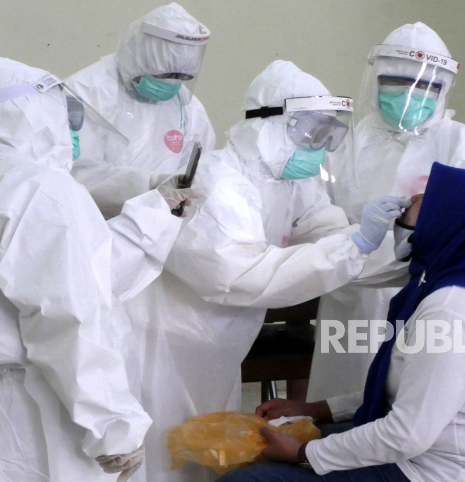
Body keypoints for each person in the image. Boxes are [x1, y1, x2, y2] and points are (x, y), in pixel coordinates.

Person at [0, 56, 193, 482]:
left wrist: (157, 213)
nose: (72, 124)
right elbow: (69, 319)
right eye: (64, 108)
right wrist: (114, 427)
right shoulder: (42, 187)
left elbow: (82, 272)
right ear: (30, 111)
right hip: (31, 418)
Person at [124, 60, 407, 482]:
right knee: (160, 457)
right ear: (267, 123)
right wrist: (355, 245)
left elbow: (329, 236)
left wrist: (401, 248)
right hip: (163, 344)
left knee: (205, 451)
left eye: (329, 133)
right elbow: (240, 276)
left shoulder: (290, 180)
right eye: (311, 131)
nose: (319, 145)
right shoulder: (216, 182)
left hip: (218, 345)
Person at [217, 163, 465, 482]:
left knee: (248, 478)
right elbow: (408, 392)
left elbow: (407, 433)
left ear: (449, 222)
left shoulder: (454, 310)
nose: (402, 212)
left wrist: (302, 453)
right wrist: (316, 409)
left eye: (418, 204)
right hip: (439, 452)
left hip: (444, 471)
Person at [307, 22, 465, 402]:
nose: (410, 96)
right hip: (352, 302)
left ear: (445, 87)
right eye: (395, 83)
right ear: (375, 79)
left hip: (434, 304)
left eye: (426, 86)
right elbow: (311, 217)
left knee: (419, 406)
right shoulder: (342, 147)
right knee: (341, 405)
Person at [66, 2, 216, 218]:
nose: (173, 84)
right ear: (137, 60)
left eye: (183, 77)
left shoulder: (188, 106)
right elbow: (74, 173)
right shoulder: (86, 92)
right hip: (91, 225)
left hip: (158, 228)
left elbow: (200, 171)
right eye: (164, 75)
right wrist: (149, 186)